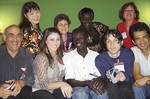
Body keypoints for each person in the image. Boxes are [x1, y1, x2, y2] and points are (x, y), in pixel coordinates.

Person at [63, 27, 108, 99]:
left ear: (87, 39)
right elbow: (70, 80)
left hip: (94, 85)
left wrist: (100, 81)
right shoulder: (67, 57)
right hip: (78, 87)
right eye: (75, 38)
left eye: (80, 37)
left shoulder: (96, 55)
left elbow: (101, 75)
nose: (77, 40)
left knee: (101, 93)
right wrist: (86, 83)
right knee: (80, 94)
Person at [33, 27, 72, 99]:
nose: (55, 43)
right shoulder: (41, 57)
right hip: (40, 90)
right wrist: (62, 84)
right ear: (45, 41)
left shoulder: (60, 55)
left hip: (55, 89)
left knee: (67, 94)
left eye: (58, 39)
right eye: (52, 40)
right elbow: (43, 84)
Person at [95, 29, 135, 99]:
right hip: (110, 85)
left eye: (115, 41)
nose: (112, 44)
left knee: (125, 87)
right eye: (108, 41)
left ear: (121, 42)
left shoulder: (128, 53)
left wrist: (124, 75)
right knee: (111, 86)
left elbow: (131, 74)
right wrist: (109, 76)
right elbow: (104, 77)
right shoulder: (100, 59)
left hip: (126, 83)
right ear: (105, 44)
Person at [0, 25, 34, 99]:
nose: (15, 39)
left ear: (21, 38)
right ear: (5, 38)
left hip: (21, 92)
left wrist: (21, 82)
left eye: (18, 36)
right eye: (11, 35)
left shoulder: (27, 54)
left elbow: (32, 75)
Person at [129, 22, 150, 99]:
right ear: (133, 42)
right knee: (136, 86)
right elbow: (137, 75)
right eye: (138, 39)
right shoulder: (134, 51)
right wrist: (147, 81)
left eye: (144, 37)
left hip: (145, 81)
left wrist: (146, 78)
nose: (142, 41)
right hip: (145, 85)